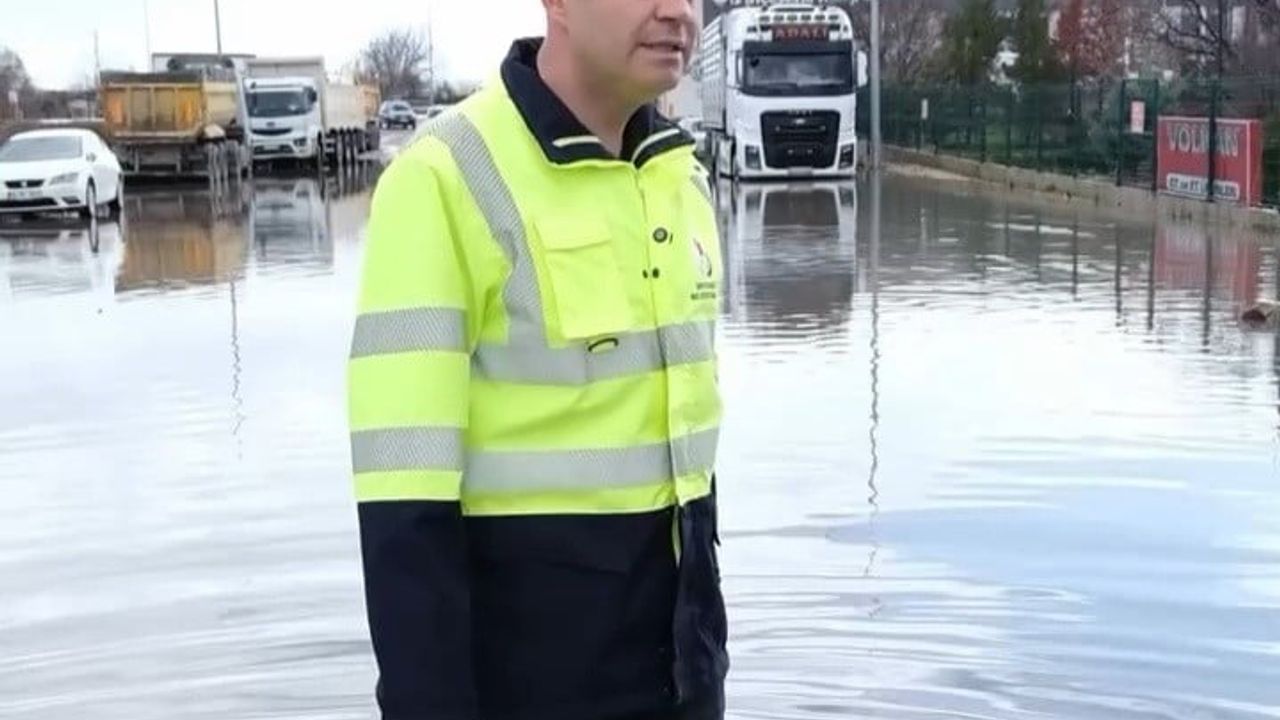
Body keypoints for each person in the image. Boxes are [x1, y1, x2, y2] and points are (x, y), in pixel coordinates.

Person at [346, 0, 727, 718]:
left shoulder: (681, 180)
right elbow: (404, 510)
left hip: (680, 685)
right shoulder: (444, 179)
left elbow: (686, 468)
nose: (677, 11)